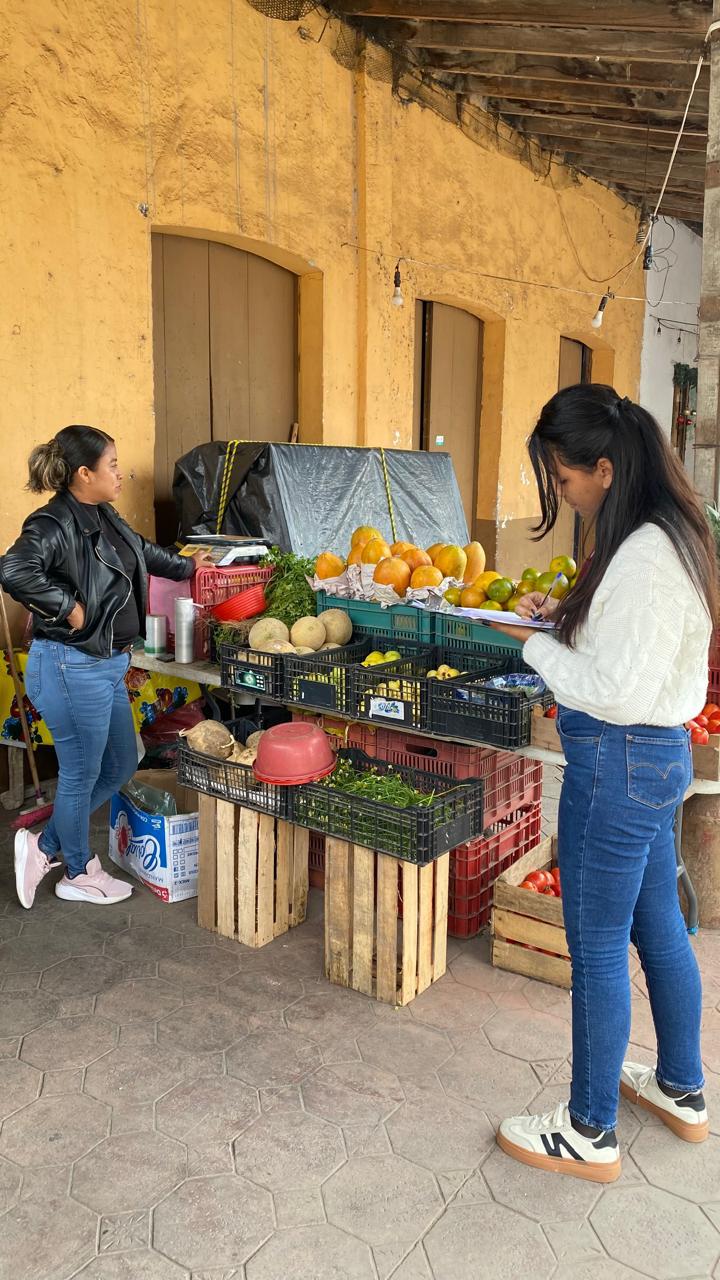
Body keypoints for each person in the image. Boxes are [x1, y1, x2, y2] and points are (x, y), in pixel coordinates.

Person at [490, 384, 715, 1183]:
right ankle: (681, 1087)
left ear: (606, 469)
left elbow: (615, 689)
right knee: (658, 926)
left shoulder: (648, 555)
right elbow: (629, 650)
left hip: (621, 764)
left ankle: (588, 1129)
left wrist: (528, 642)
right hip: (649, 763)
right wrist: (564, 617)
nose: (564, 493)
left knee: (595, 948)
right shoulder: (659, 535)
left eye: (564, 478)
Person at [0, 425, 208, 908]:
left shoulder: (103, 513)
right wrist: (67, 608)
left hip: (105, 664)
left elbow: (141, 551)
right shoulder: (52, 522)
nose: (120, 473)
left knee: (120, 762)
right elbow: (13, 569)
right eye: (112, 465)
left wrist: (189, 565)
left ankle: (44, 846)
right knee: (80, 772)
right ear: (83, 473)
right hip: (70, 666)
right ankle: (77, 872)